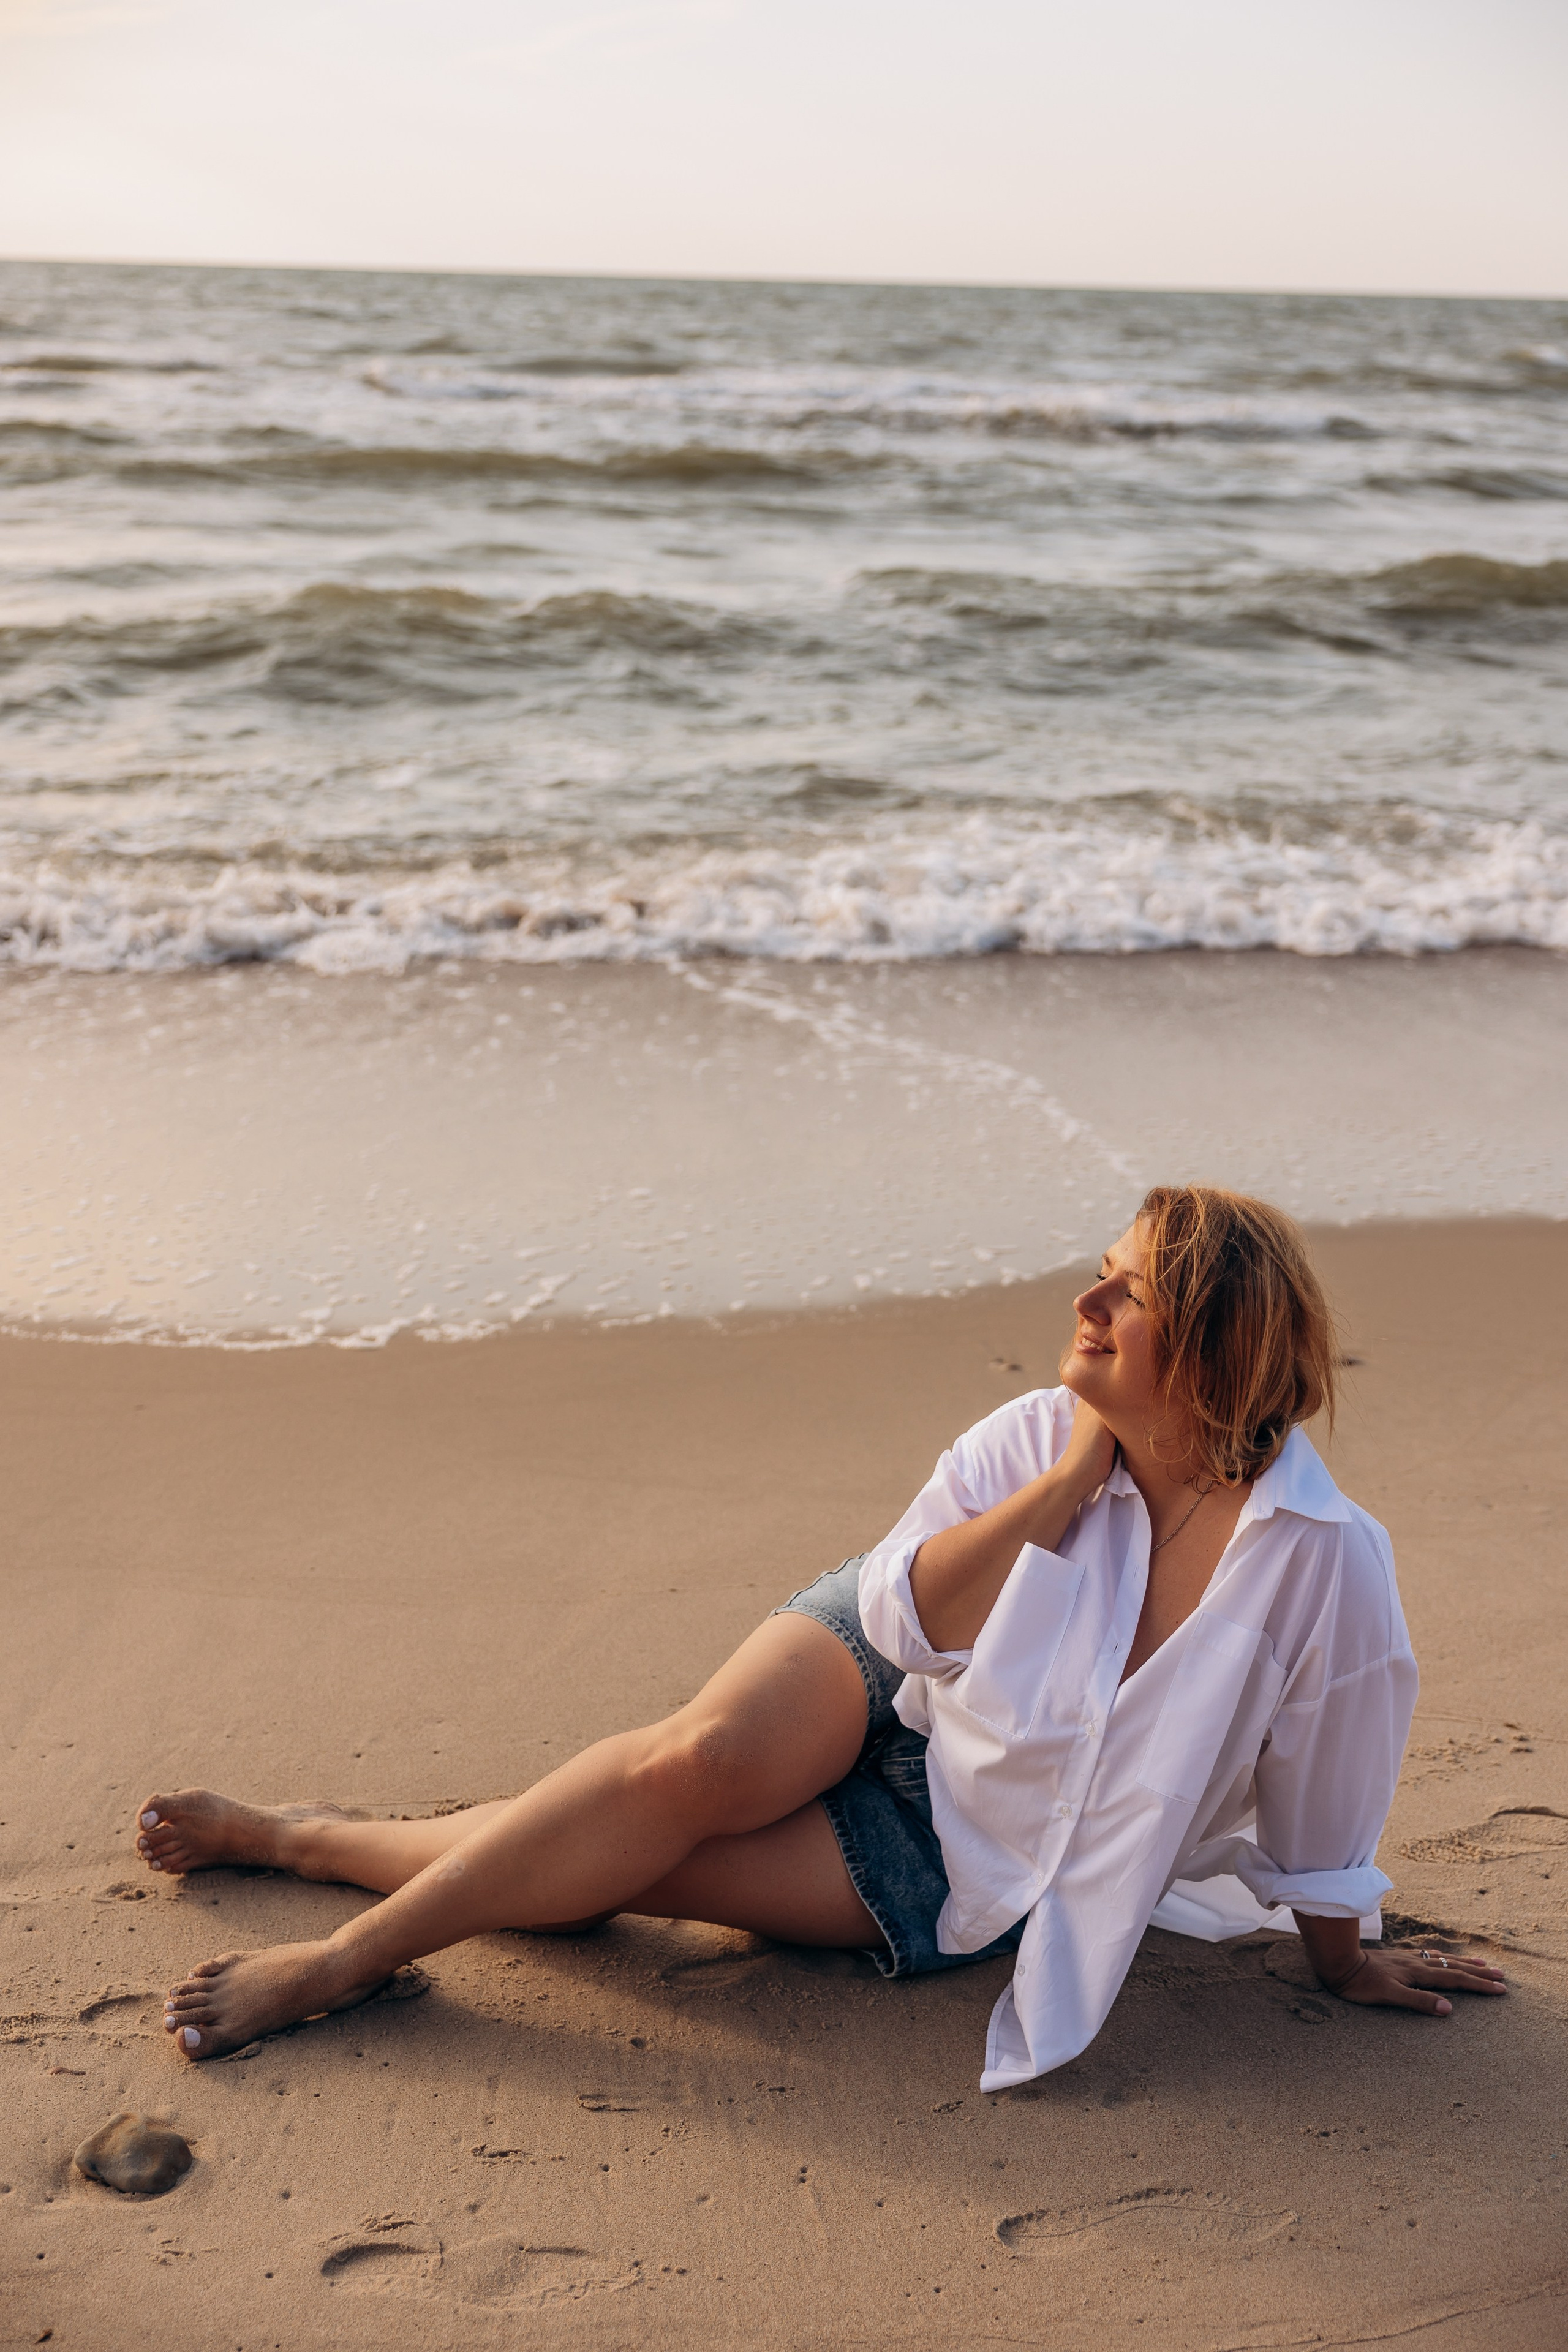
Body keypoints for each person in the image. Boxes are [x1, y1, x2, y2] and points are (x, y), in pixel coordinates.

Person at [141, 1185, 1504, 2082]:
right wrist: (1058, 1494)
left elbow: (1333, 1761)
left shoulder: (1321, 1560)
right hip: (880, 1663)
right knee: (683, 1769)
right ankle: (338, 1966)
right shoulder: (1032, 1436)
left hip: (963, 1844)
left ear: (1204, 1345)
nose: (1080, 1307)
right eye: (1095, 1276)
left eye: (1123, 1295)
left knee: (623, 1875)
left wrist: (1342, 1952)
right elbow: (904, 1613)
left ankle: (305, 1836)